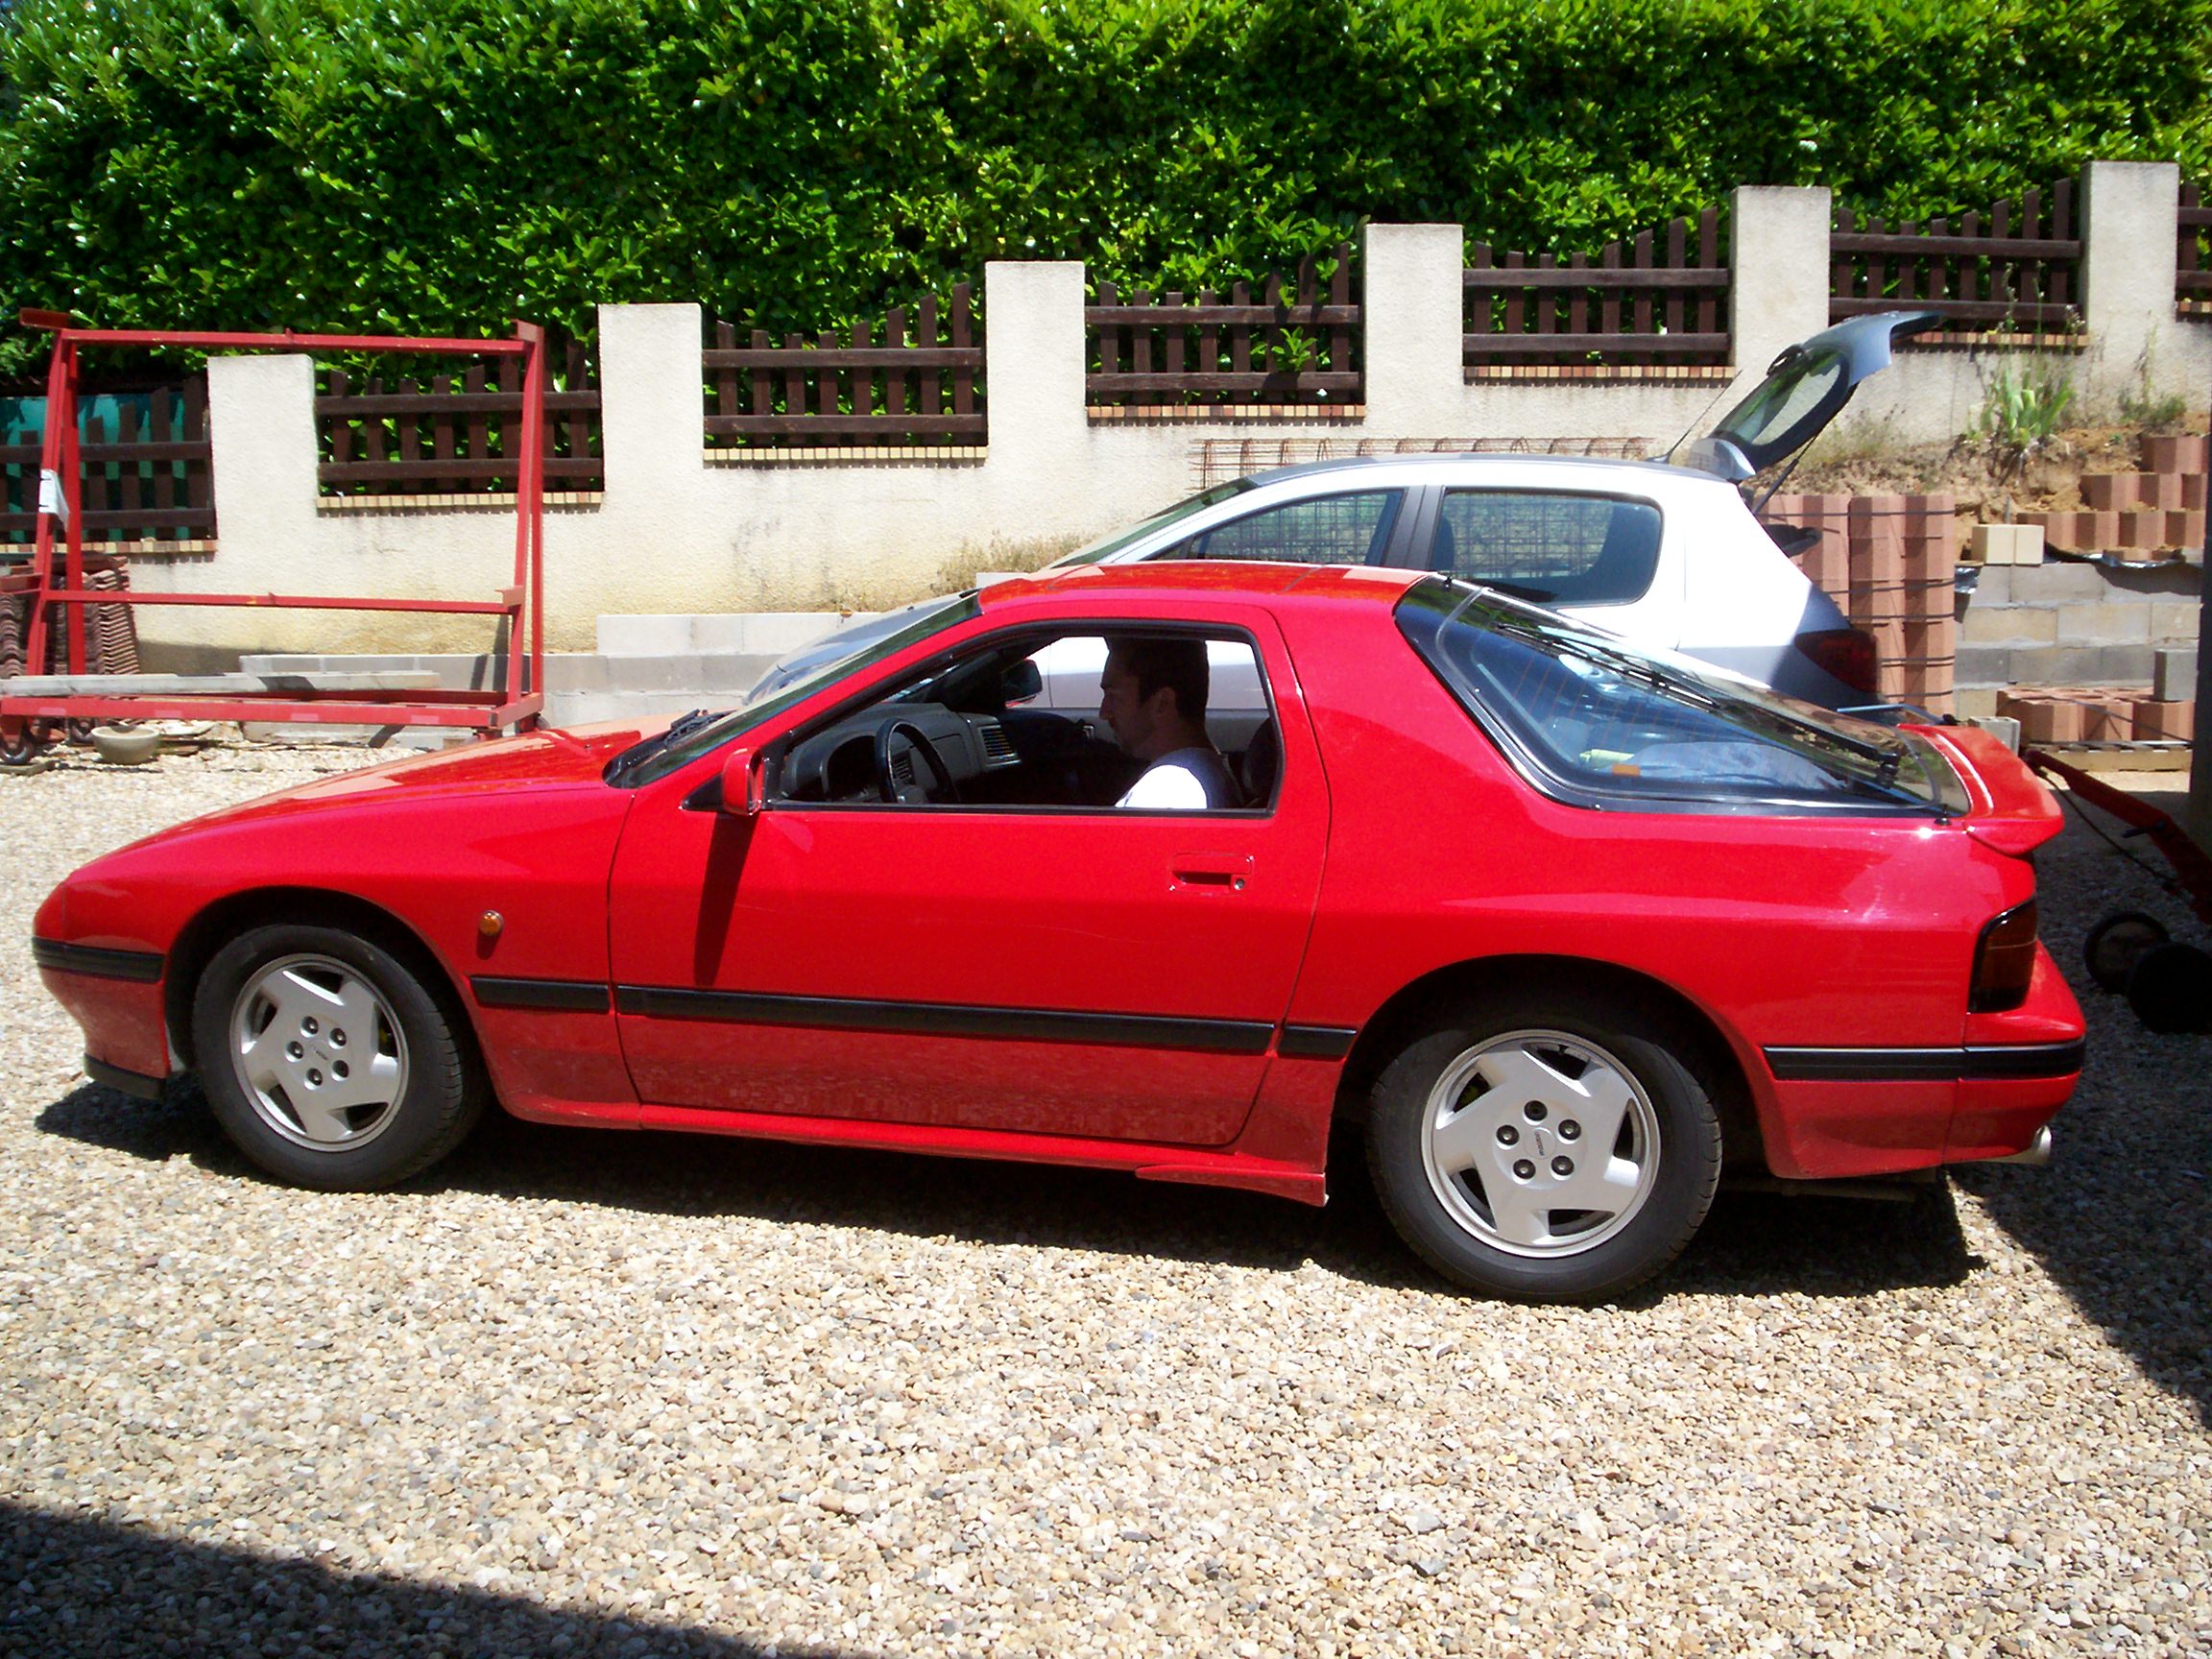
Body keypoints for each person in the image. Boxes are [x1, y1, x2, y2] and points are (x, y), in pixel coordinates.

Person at [1097, 635, 1239, 808]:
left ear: (1162, 703)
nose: (1104, 713)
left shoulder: (1164, 792)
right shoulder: (1206, 770)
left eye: (1114, 697)